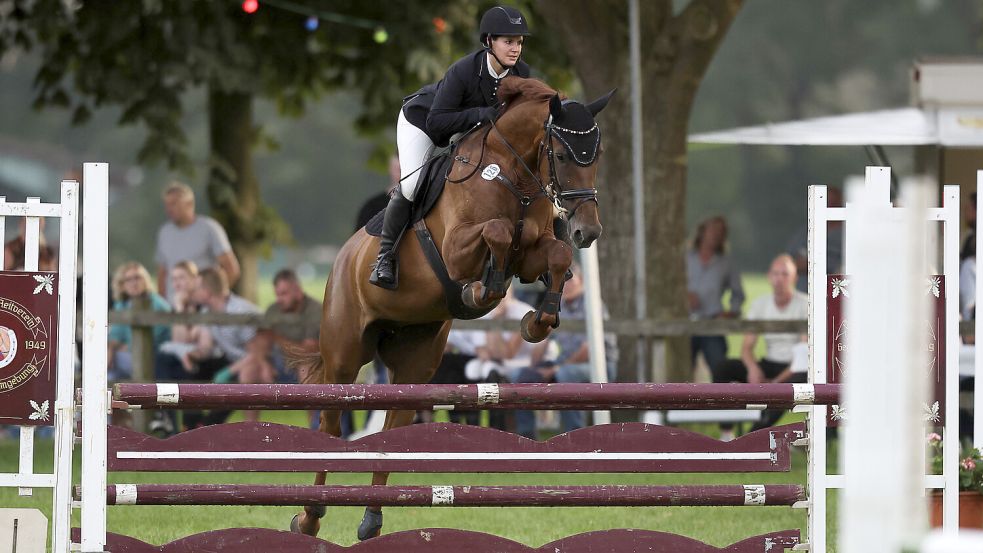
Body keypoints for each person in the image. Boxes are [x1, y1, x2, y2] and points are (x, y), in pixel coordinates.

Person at [370, 5, 532, 289]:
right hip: (422, 122)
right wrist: (479, 114)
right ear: (488, 42)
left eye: (519, 42)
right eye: (508, 41)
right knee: (411, 185)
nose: (515, 48)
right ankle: (385, 258)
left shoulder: (521, 73)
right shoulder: (464, 70)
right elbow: (437, 122)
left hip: (464, 133)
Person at [513, 263, 617, 440]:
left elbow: (590, 350)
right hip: (564, 363)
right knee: (522, 376)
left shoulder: (593, 305)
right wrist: (535, 362)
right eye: (562, 281)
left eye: (569, 280)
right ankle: (526, 438)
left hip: (599, 365)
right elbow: (544, 343)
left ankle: (575, 437)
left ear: (582, 281)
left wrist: (556, 369)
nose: (565, 285)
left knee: (566, 375)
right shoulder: (557, 305)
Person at [711, 254, 808, 441]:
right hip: (769, 363)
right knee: (724, 367)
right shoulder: (759, 304)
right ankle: (726, 432)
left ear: (795, 278)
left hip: (794, 368)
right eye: (775, 274)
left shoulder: (805, 305)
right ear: (768, 276)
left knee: (793, 385)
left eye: (785, 274)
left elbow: (803, 354)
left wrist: (776, 383)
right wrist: (752, 368)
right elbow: (747, 347)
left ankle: (750, 437)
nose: (779, 279)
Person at [188, 266, 268, 424]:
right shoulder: (206, 312)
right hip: (236, 361)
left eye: (197, 288)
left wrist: (228, 371)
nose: (193, 291)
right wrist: (191, 355)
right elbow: (206, 347)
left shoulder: (240, 312)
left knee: (245, 375)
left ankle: (250, 428)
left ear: (207, 291)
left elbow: (257, 354)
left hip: (262, 361)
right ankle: (192, 426)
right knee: (196, 370)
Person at [155, 181, 240, 302]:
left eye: (174, 204)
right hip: (174, 307)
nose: (169, 209)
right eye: (167, 204)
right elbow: (162, 274)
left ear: (189, 204)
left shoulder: (209, 228)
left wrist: (215, 297)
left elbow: (231, 269)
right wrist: (163, 304)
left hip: (204, 308)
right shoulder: (164, 232)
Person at [686, 216, 745, 376]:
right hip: (684, 322)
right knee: (681, 371)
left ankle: (719, 400)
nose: (717, 235)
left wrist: (731, 312)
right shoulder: (686, 257)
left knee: (719, 369)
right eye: (713, 230)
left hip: (712, 322)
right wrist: (684, 297)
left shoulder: (726, 262)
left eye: (722, 232)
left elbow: (738, 293)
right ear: (703, 231)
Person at [107, 262, 171, 382]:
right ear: (122, 285)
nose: (134, 283)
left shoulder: (157, 303)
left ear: (145, 280)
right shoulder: (122, 304)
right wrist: (111, 347)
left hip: (151, 359)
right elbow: (115, 335)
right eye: (128, 279)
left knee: (107, 362)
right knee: (109, 365)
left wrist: (119, 347)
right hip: (127, 356)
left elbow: (151, 339)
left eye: (137, 278)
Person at [259, 269, 320, 383]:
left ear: (297, 291)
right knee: (252, 369)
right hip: (276, 359)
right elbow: (261, 341)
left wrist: (276, 338)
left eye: (283, 294)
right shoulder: (273, 310)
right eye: (277, 295)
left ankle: (307, 399)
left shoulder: (315, 310)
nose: (279, 300)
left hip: (304, 362)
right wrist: (264, 363)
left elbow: (309, 351)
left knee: (306, 368)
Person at [787, 186, 843, 292]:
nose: (829, 206)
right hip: (805, 292)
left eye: (832, 203)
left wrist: (812, 265)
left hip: (835, 291)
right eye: (826, 203)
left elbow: (844, 265)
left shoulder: (846, 234)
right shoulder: (806, 231)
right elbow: (790, 260)